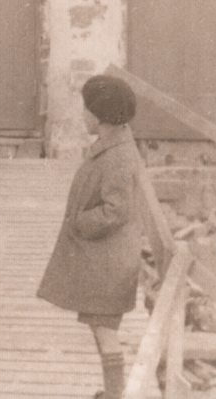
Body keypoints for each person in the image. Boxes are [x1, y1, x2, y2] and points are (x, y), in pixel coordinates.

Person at [36, 75, 143, 399]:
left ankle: (116, 394)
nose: (82, 116)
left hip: (109, 264)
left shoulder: (120, 156)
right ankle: (114, 393)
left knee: (105, 330)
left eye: (86, 110)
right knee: (101, 328)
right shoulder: (116, 146)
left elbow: (116, 210)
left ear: (100, 117)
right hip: (106, 259)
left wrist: (81, 223)